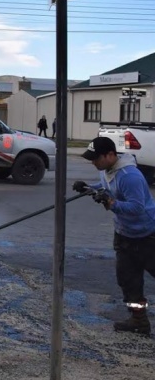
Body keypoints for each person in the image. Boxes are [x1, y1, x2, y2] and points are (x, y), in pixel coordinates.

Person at [73, 136, 155, 335]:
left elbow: (136, 207)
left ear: (110, 155)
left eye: (96, 159)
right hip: (124, 235)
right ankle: (139, 321)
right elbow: (107, 188)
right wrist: (88, 188)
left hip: (147, 236)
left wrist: (111, 204)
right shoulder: (107, 170)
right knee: (128, 280)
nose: (93, 163)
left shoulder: (130, 176)